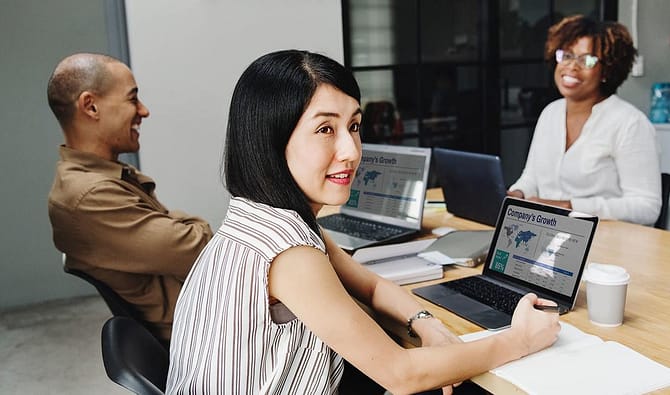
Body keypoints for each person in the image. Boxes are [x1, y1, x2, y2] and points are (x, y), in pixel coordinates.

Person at [166, 49, 560, 395]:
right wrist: (521, 338)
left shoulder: (260, 215)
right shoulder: (289, 253)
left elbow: (370, 285)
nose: (350, 150)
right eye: (325, 130)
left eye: (353, 126)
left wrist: (426, 323)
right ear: (271, 140)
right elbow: (400, 375)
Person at [46, 53, 213, 344]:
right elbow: (200, 249)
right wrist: (189, 225)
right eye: (132, 99)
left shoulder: (105, 175)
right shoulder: (89, 195)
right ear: (91, 106)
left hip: (208, 314)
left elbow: (184, 239)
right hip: (207, 338)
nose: (144, 111)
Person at [508, 15, 662, 226]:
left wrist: (570, 207)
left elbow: (646, 207)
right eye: (567, 55)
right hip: (545, 233)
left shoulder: (630, 123)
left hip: (609, 243)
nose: (571, 67)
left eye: (587, 60)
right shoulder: (550, 113)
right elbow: (532, 177)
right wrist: (517, 193)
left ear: (607, 70)